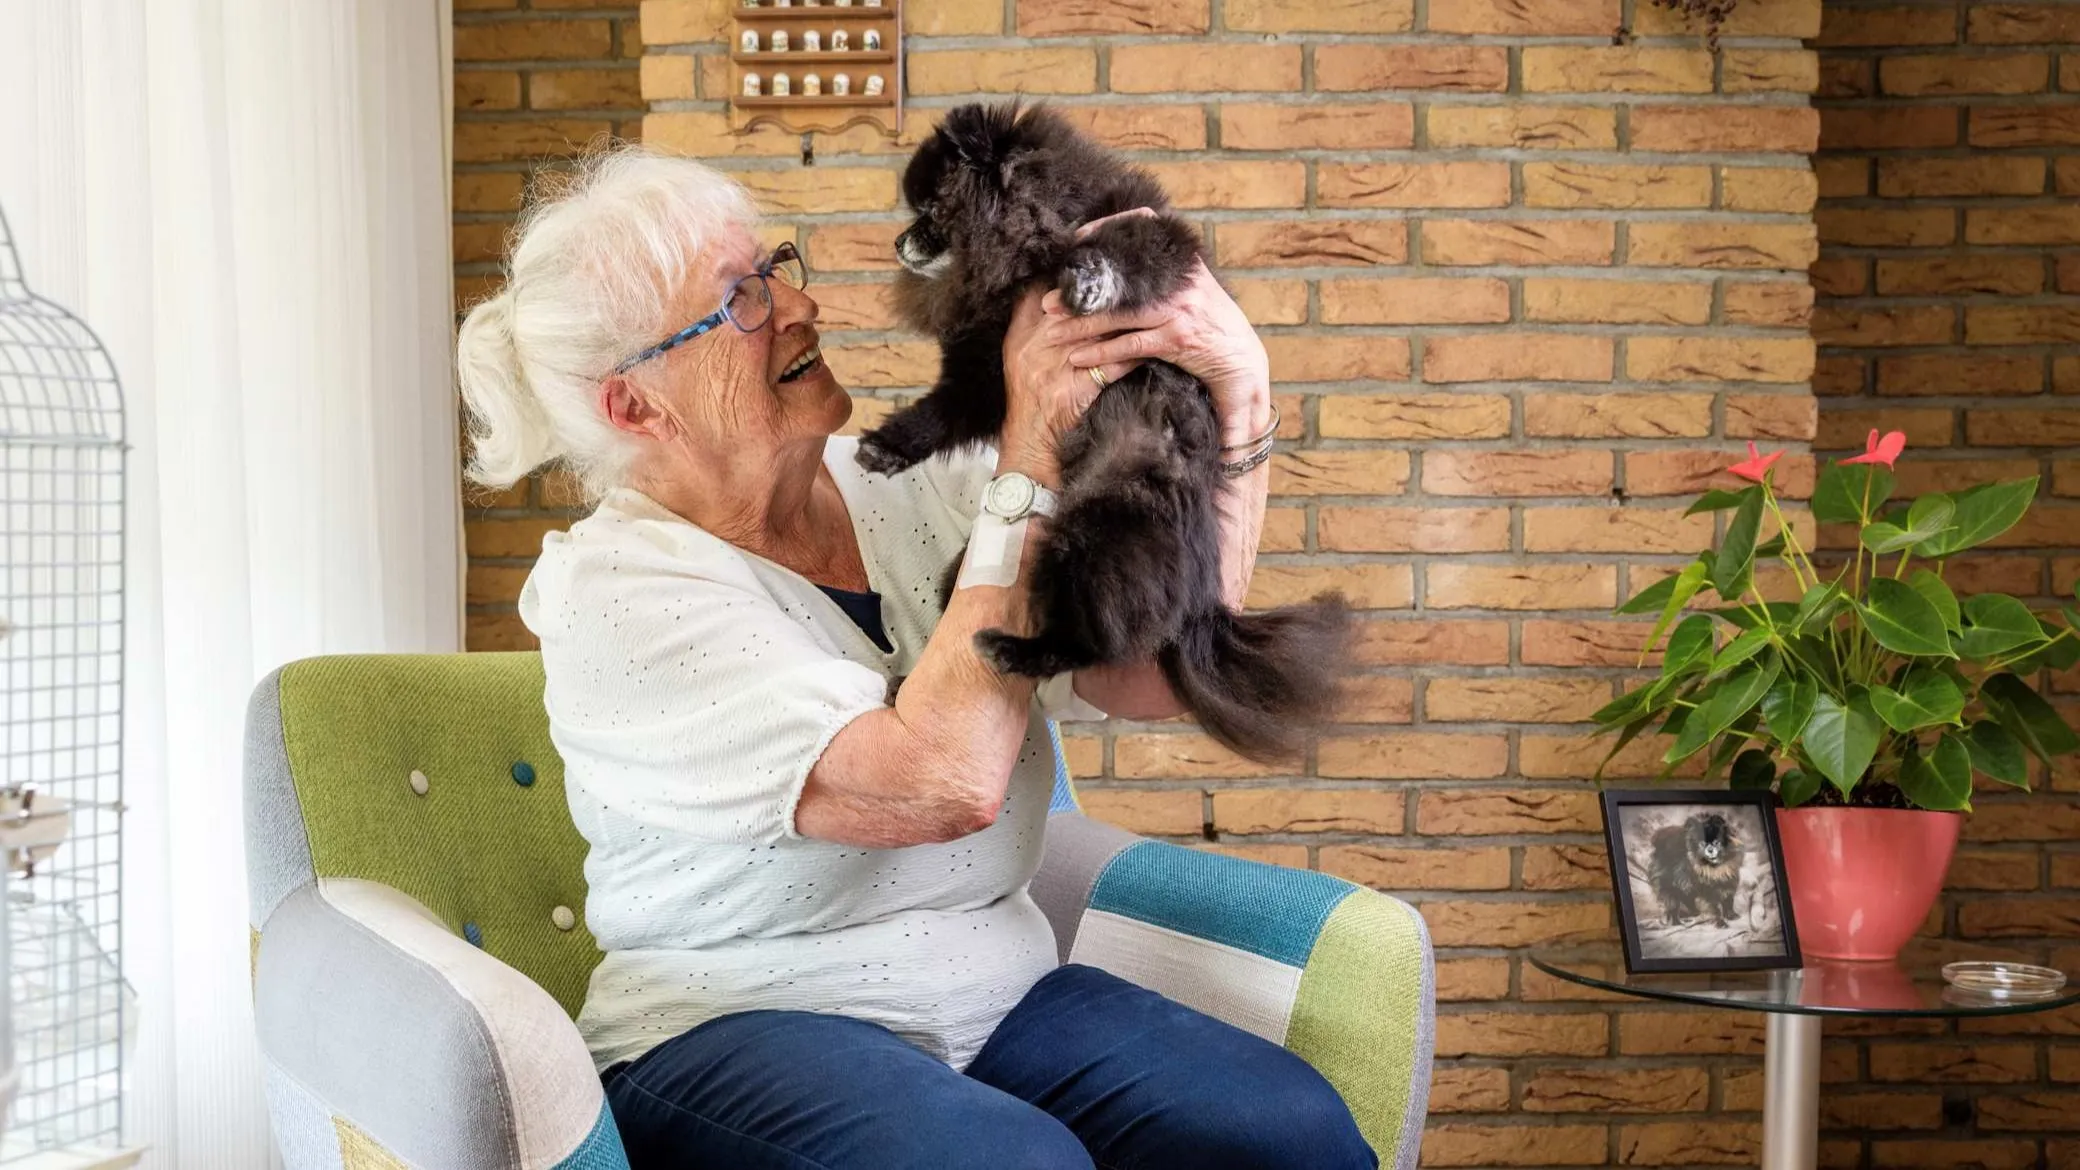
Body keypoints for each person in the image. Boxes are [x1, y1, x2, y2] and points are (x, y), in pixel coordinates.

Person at [456, 145, 1374, 1169]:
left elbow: (1151, 671)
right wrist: (1032, 454)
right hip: (738, 1024)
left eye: (775, 268)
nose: (799, 304)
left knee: (1288, 1132)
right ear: (635, 404)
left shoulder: (914, 482)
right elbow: (939, 783)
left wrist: (1239, 397)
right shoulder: (617, 594)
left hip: (997, 997)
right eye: (739, 300)